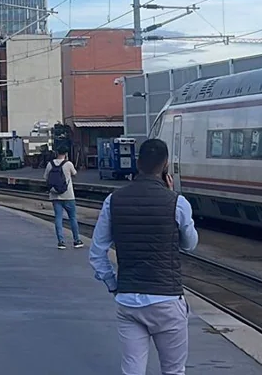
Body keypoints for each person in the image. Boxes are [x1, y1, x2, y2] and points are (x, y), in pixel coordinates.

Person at [89, 139, 199, 375]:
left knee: (133, 371)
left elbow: (97, 253)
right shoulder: (177, 203)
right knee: (173, 371)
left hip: (128, 300)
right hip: (167, 300)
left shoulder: (113, 201)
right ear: (166, 165)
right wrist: (171, 200)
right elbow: (190, 245)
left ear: (137, 164)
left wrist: (114, 285)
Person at [44, 149, 83, 249]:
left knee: (58, 218)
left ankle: (61, 242)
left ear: (56, 153)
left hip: (55, 196)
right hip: (68, 195)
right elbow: (75, 174)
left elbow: (45, 177)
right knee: (73, 218)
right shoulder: (68, 164)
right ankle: (76, 240)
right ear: (66, 154)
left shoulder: (50, 164)